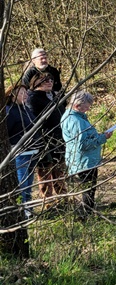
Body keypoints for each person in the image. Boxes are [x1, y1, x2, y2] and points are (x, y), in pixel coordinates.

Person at [61, 90, 110, 218]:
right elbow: (82, 145)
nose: (88, 109)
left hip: (84, 160)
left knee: (88, 189)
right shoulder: (76, 121)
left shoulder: (75, 116)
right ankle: (85, 216)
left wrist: (99, 135)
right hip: (84, 161)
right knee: (88, 189)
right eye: (87, 106)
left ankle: (86, 213)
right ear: (77, 106)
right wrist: (102, 138)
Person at [28, 73, 65, 203]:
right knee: (45, 170)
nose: (49, 82)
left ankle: (63, 198)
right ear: (36, 82)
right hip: (43, 138)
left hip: (59, 137)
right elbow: (33, 120)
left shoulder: (56, 95)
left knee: (60, 168)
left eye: (51, 79)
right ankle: (48, 201)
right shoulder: (32, 98)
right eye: (45, 80)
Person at [5, 84, 36, 218]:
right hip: (20, 153)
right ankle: (21, 211)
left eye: (26, 93)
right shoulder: (9, 111)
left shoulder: (26, 109)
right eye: (22, 93)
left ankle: (28, 209)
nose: (26, 95)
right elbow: (6, 133)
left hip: (33, 152)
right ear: (12, 95)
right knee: (21, 184)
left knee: (29, 185)